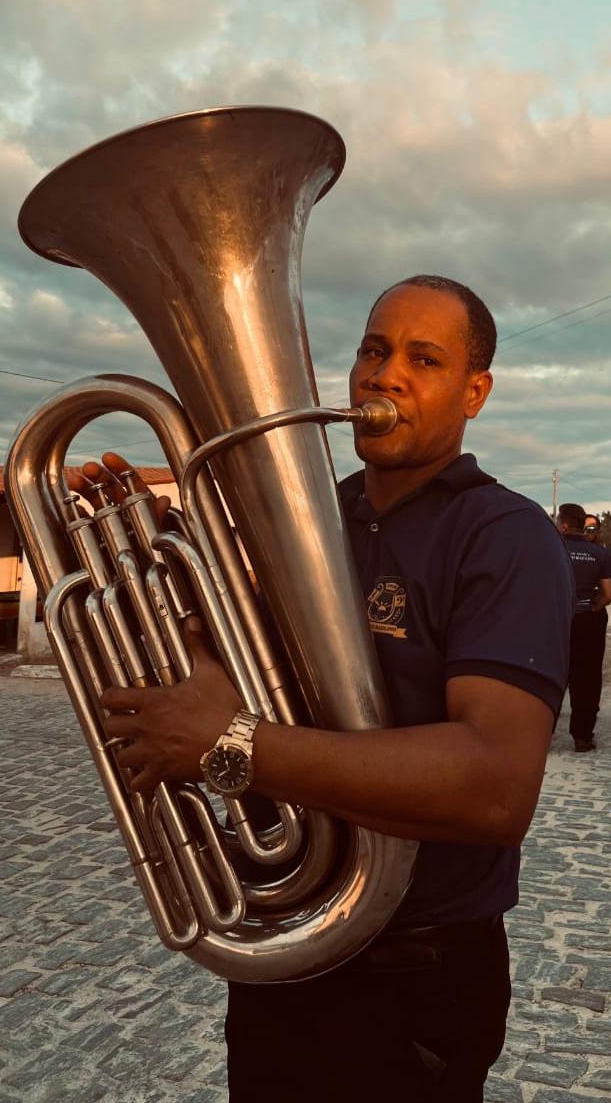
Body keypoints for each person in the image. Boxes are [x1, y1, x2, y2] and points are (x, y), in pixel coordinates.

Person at [69, 275, 574, 1103]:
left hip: (416, 979)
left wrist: (233, 746)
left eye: (424, 358)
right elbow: (229, 696)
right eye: (373, 350)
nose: (385, 375)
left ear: (473, 392)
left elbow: (495, 785)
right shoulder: (307, 520)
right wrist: (148, 585)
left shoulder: (504, 535)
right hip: (286, 962)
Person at [558, 504, 611, 752]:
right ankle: (583, 736)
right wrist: (591, 607)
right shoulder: (598, 553)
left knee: (553, 673)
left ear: (565, 524)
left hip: (557, 619)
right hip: (589, 620)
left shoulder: (552, 548)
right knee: (588, 677)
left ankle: (541, 731)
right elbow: (608, 594)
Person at [584, 514, 611, 596]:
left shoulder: (607, 555)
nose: (585, 533)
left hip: (594, 606)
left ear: (597, 531)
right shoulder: (565, 552)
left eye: (590, 529)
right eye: (582, 529)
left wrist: (597, 589)